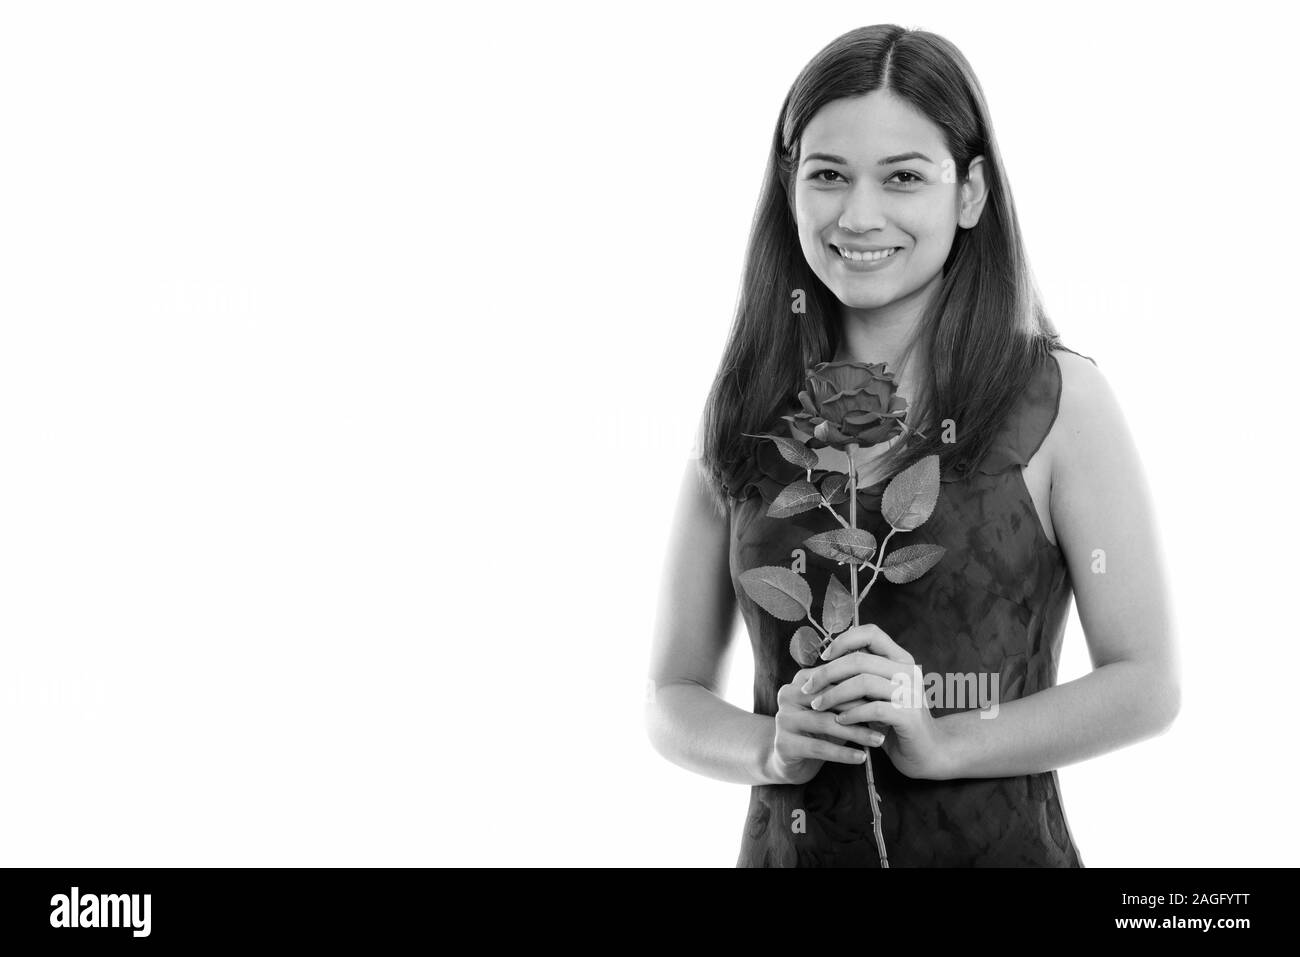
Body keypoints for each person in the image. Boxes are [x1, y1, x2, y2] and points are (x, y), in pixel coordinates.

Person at [644, 24, 1180, 867]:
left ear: (968, 192)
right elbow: (670, 695)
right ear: (791, 188)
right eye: (828, 176)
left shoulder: (1062, 401)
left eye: (903, 177)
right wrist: (771, 749)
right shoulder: (745, 404)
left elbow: (1146, 683)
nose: (861, 215)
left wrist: (944, 741)